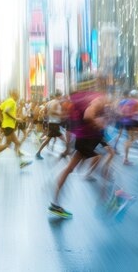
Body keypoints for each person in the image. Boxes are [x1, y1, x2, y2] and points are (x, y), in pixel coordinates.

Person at [49, 79, 107, 218]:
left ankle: (55, 203)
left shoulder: (74, 101)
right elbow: (88, 115)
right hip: (89, 137)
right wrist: (98, 124)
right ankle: (108, 199)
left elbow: (67, 118)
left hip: (83, 138)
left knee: (70, 168)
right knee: (102, 159)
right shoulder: (94, 98)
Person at [0, 90, 32, 170]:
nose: (18, 97)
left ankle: (21, 162)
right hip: (9, 126)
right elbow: (6, 111)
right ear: (15, 95)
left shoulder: (7, 101)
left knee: (17, 143)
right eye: (18, 95)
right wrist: (16, 119)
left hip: (7, 126)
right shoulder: (12, 102)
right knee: (8, 144)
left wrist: (2, 121)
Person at [35, 92, 65, 159]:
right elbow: (51, 111)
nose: (61, 98)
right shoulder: (56, 102)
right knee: (63, 139)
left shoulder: (48, 103)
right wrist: (60, 114)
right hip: (54, 124)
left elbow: (45, 112)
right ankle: (66, 152)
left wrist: (47, 119)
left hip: (52, 123)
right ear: (58, 96)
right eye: (61, 96)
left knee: (48, 139)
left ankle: (38, 152)